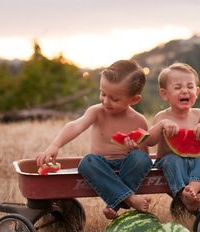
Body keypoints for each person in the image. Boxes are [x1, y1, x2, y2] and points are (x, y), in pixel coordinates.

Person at [36, 60, 152, 219]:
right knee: (87, 162)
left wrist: (134, 149)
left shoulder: (139, 121)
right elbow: (75, 126)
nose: (105, 101)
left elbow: (144, 156)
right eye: (103, 94)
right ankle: (129, 199)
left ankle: (115, 203)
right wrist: (55, 145)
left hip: (127, 166)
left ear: (134, 100)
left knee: (141, 159)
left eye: (114, 98)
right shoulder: (97, 112)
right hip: (101, 166)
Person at [146, 63, 200, 211]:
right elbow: (150, 141)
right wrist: (162, 125)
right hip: (169, 162)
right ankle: (184, 196)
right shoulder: (162, 116)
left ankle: (192, 190)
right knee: (172, 159)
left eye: (190, 86)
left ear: (197, 91)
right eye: (177, 87)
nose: (184, 91)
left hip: (195, 162)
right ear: (164, 94)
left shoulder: (199, 114)